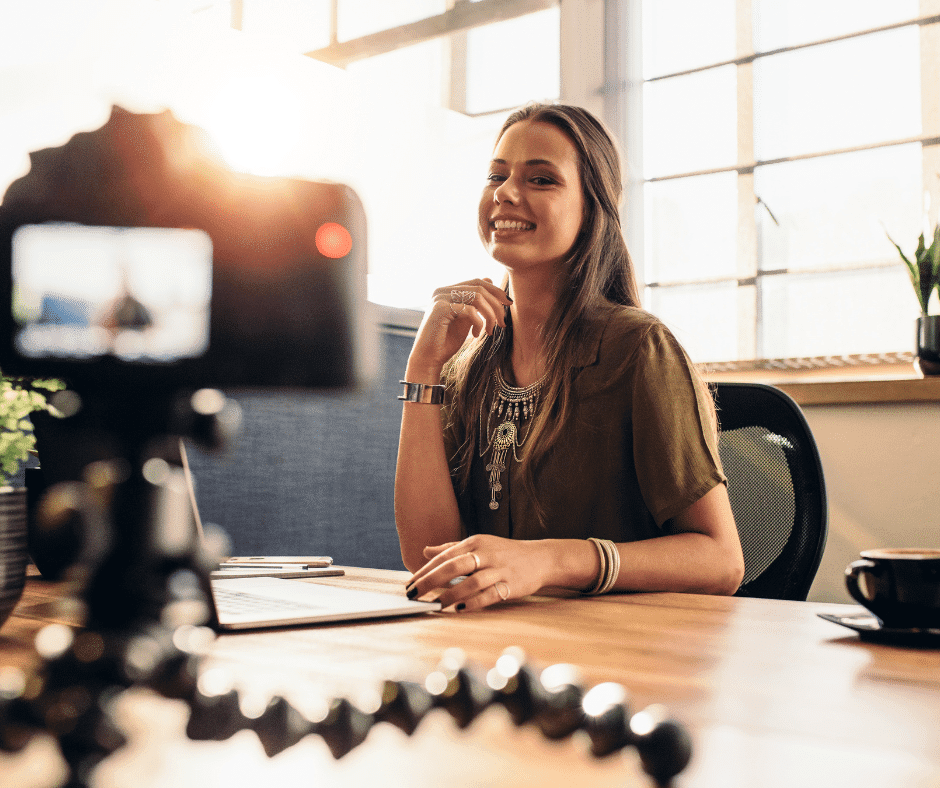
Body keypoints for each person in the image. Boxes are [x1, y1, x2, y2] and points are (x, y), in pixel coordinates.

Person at [395, 102, 744, 611]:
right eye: (497, 175)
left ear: (591, 209)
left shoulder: (639, 350)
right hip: (504, 650)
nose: (506, 193)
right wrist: (422, 371)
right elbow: (427, 555)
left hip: (624, 654)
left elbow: (721, 560)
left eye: (541, 180)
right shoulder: (467, 368)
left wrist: (549, 562)